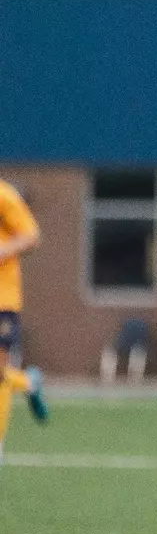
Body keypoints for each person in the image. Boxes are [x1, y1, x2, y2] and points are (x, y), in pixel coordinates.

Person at [0, 178, 48, 462]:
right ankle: (29, 382)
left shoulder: (4, 195)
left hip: (2, 300)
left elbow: (31, 236)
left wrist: (3, 250)